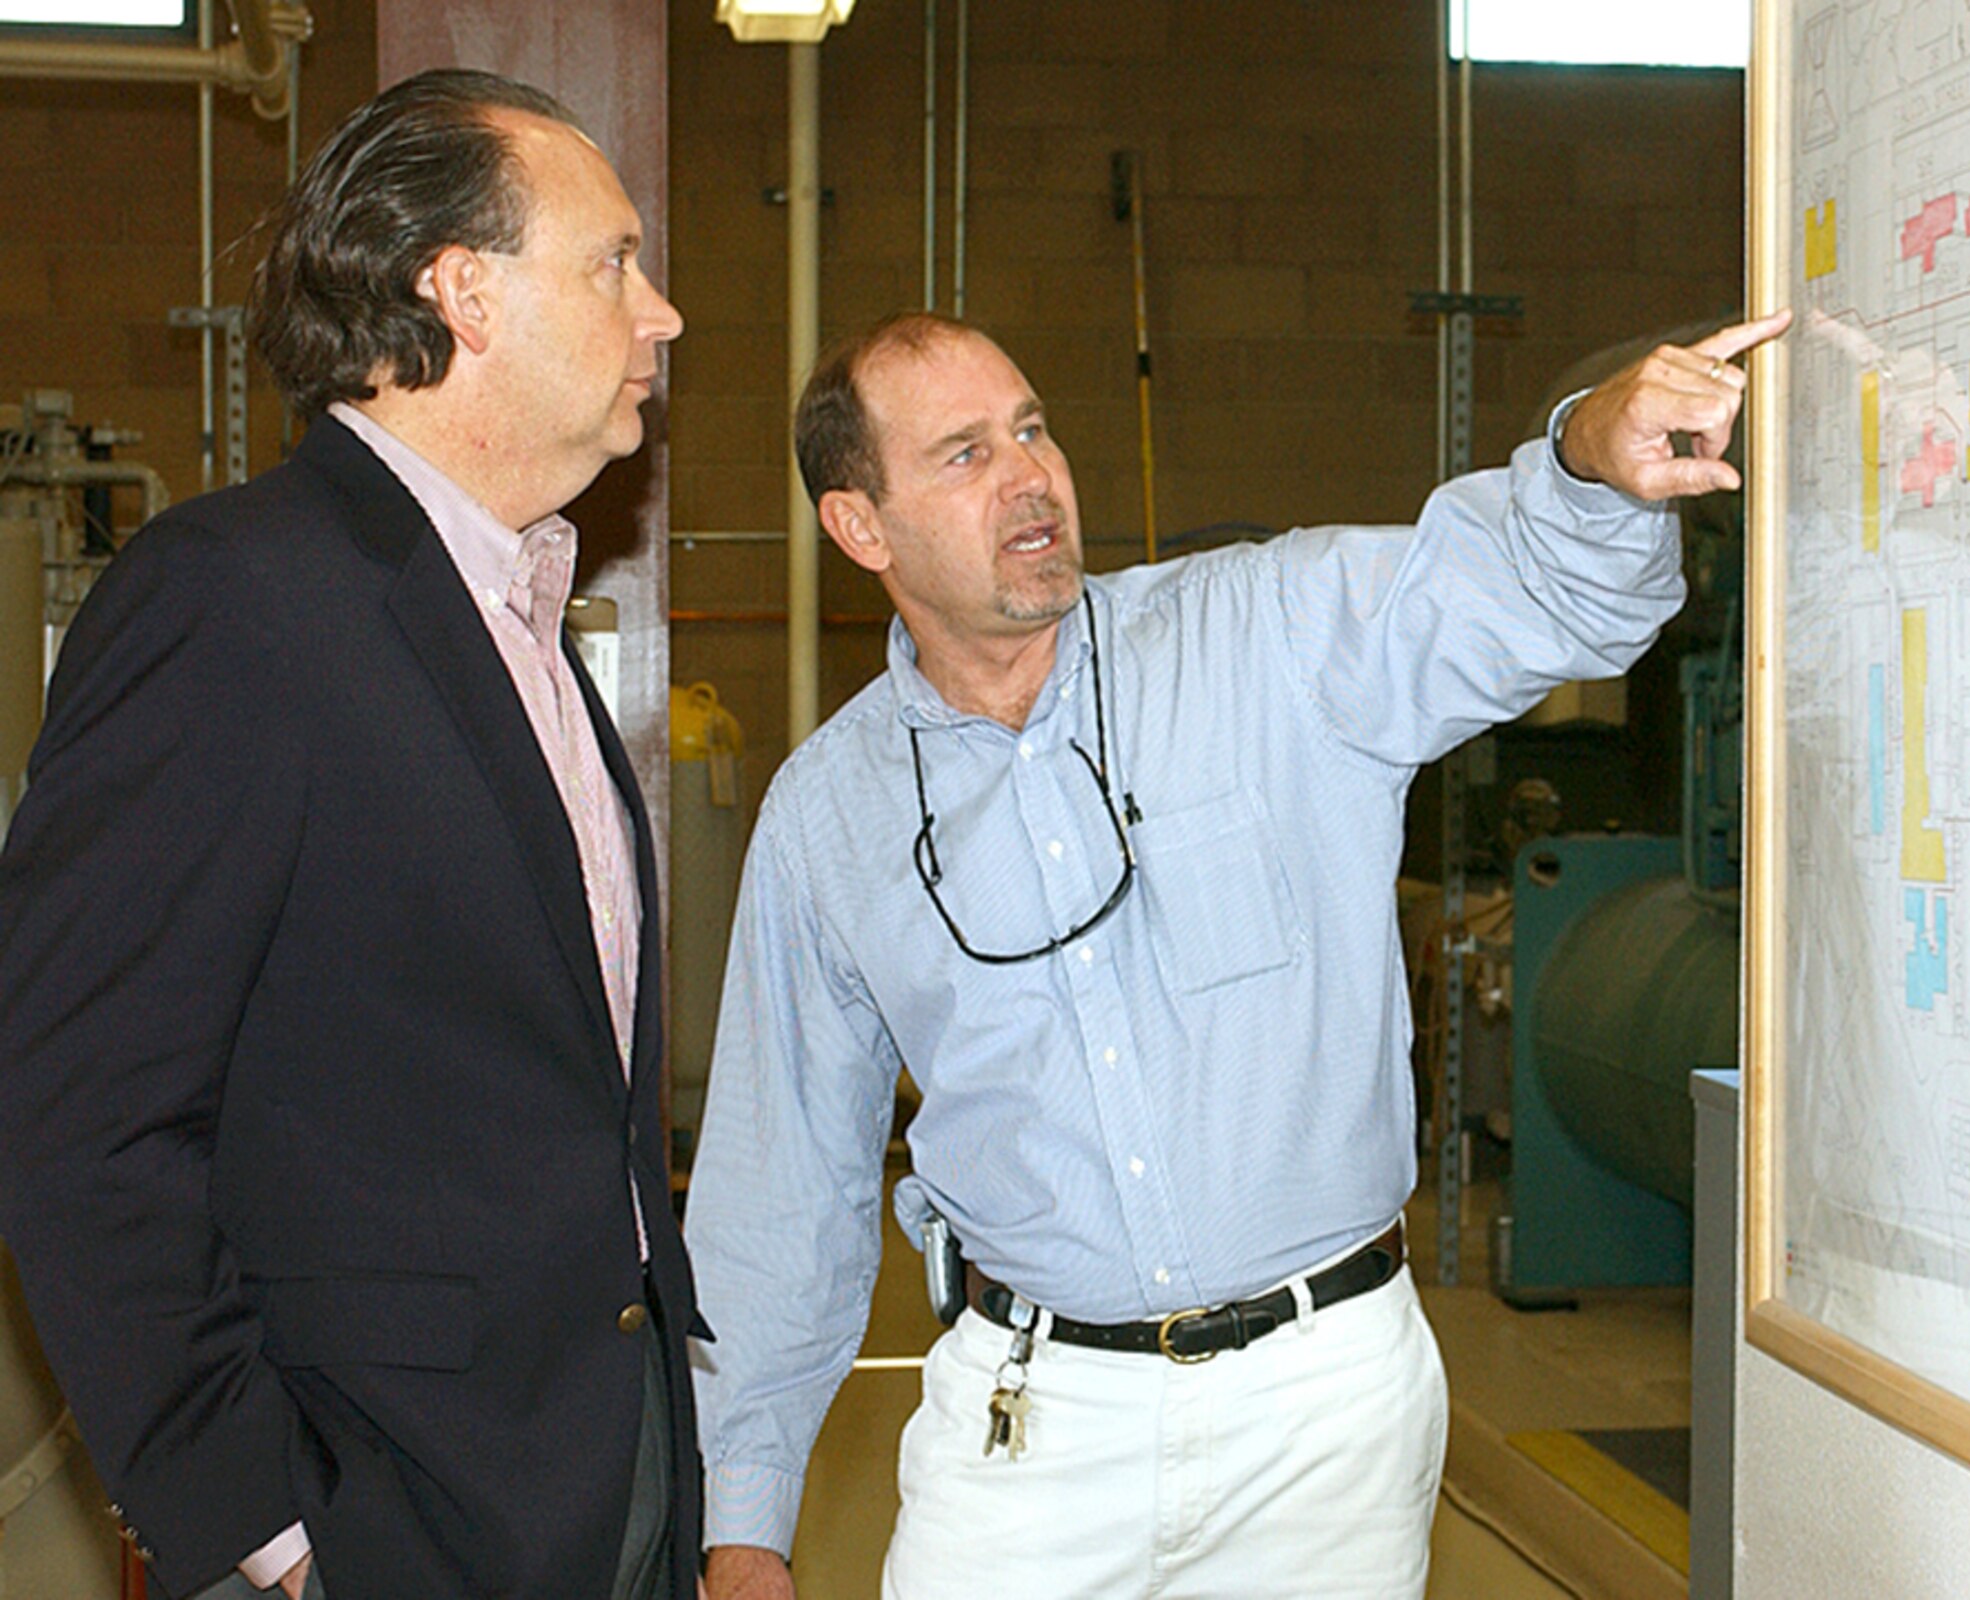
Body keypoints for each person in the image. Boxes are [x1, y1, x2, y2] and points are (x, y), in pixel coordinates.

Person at [684, 304, 1790, 1599]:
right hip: (1036, 1423)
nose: (1031, 477)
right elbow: (782, 1181)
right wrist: (742, 1516)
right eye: (965, 455)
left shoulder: (1260, 637)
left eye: (1033, 429)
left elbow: (1533, 600)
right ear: (860, 526)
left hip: (1322, 1414)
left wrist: (1590, 467)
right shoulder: (830, 815)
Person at [0, 69, 705, 1600]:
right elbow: (81, 1121)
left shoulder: (519, 617)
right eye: (611, 262)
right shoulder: (230, 602)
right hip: (390, 1509)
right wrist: (273, 1530)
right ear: (461, 290)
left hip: (602, 1482)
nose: (658, 314)